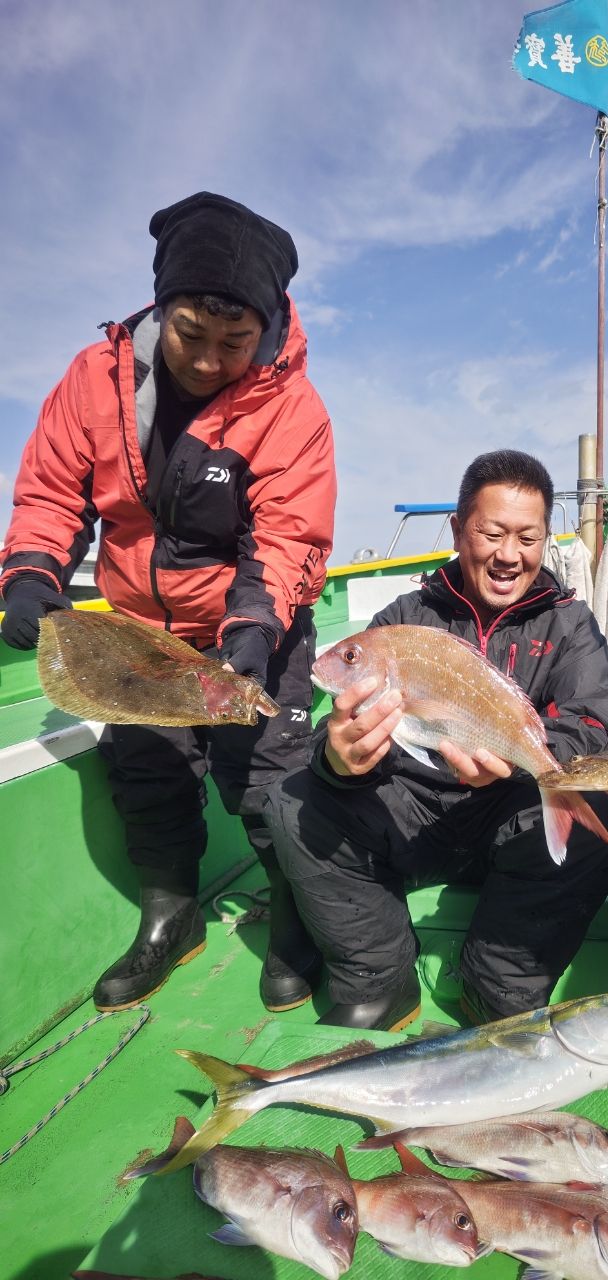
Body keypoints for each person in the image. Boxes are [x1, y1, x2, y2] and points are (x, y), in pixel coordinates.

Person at [0, 191, 336, 1014]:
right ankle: (171, 917)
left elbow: (287, 536)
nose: (210, 361)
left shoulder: (291, 408)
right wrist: (32, 573)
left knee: (269, 778)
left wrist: (252, 631)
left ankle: (293, 919)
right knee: (148, 774)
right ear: (161, 307)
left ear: (266, 328)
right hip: (140, 634)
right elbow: (51, 492)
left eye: (235, 342)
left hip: (250, 626)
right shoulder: (94, 378)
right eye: (191, 334)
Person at [265, 448, 608, 1031]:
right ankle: (378, 982)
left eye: (529, 538)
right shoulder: (404, 619)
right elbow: (337, 733)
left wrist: (521, 760)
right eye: (492, 533)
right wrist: (338, 757)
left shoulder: (569, 624)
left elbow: (600, 722)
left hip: (512, 819)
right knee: (292, 796)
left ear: (545, 541)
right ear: (460, 531)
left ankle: (499, 987)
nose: (509, 555)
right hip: (414, 816)